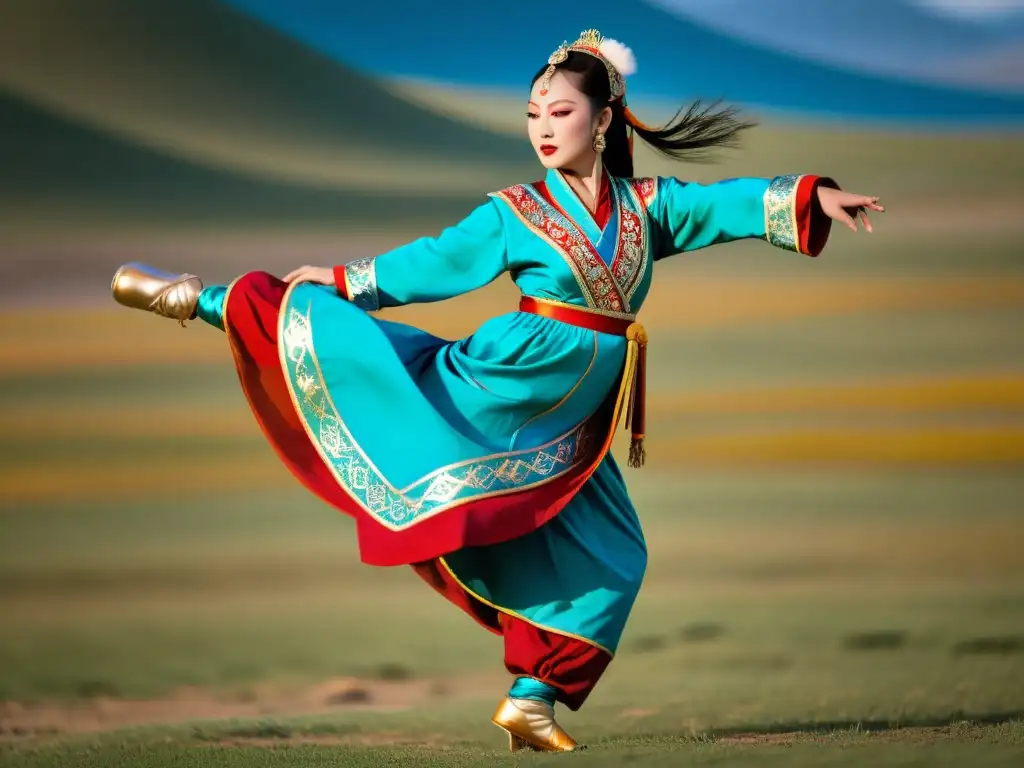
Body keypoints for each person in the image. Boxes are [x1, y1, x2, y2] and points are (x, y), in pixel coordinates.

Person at [110, 29, 883, 752]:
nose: (543, 128)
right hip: (509, 383)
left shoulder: (651, 211)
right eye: (532, 114)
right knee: (368, 367)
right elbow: (437, 262)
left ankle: (530, 698)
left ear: (605, 119)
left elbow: (729, 205)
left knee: (618, 555)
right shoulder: (515, 212)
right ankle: (199, 300)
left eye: (561, 111)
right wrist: (351, 280)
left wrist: (813, 198)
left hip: (573, 417)